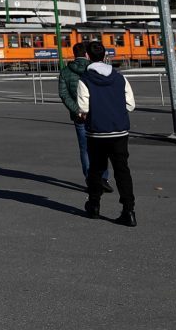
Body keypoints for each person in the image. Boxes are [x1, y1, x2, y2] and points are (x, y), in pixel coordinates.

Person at [74, 40, 136, 226]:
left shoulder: (85, 80)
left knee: (96, 169)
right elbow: (130, 105)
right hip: (119, 131)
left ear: (87, 57)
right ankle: (129, 210)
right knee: (122, 170)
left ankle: (94, 205)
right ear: (105, 56)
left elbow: (83, 107)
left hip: (97, 132)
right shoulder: (120, 77)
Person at [56, 42, 107, 191]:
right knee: (101, 147)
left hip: (79, 116)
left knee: (85, 149)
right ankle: (103, 178)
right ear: (87, 54)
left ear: (74, 54)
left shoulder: (65, 72)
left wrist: (77, 110)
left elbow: (64, 94)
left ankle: (90, 180)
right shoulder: (93, 69)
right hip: (96, 113)